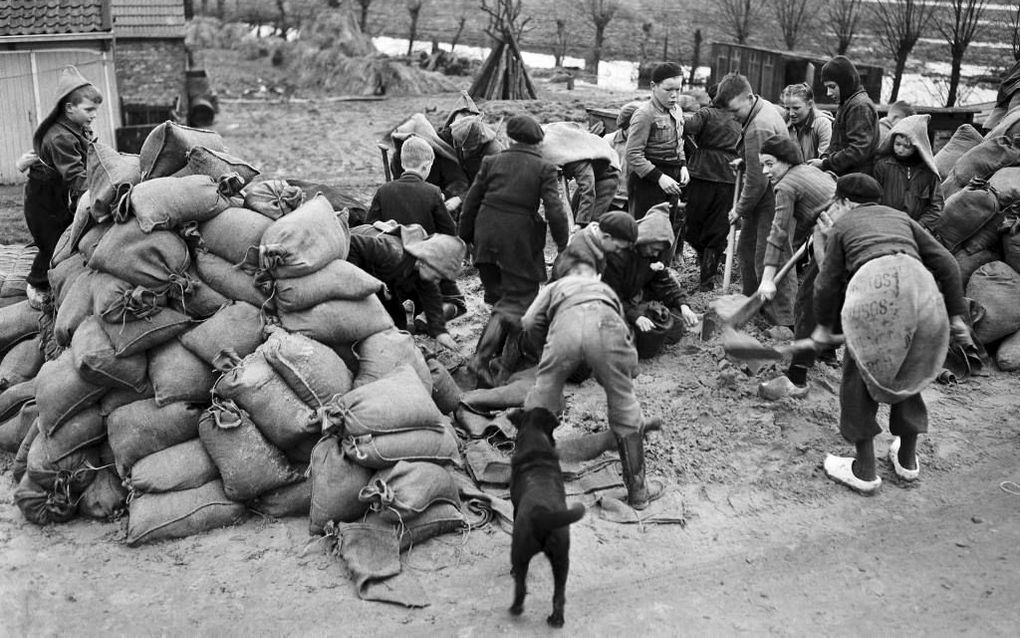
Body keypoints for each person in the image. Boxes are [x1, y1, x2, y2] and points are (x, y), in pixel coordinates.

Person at [811, 174, 973, 494]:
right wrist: (955, 315)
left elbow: (826, 284)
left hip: (876, 292)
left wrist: (821, 327)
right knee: (908, 368)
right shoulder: (901, 219)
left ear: (843, 202)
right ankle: (908, 461)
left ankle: (864, 470)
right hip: (919, 291)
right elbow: (947, 264)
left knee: (858, 380)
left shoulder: (843, 226)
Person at [522, 260, 664, 510]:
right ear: (596, 274)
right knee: (625, 409)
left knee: (541, 401)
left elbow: (530, 321)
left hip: (565, 332)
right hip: (606, 330)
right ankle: (638, 492)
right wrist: (629, 370)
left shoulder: (554, 287)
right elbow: (624, 334)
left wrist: (545, 351)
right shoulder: (604, 290)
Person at [459, 113, 570, 388]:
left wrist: (466, 238)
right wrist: (563, 243)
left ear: (509, 138)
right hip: (517, 243)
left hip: (486, 237)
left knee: (501, 301)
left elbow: (470, 203)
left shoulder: (491, 162)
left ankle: (498, 361)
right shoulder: (544, 168)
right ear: (538, 142)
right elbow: (555, 211)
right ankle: (483, 361)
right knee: (516, 302)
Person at [754, 135, 837, 400]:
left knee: (806, 301)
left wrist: (767, 279)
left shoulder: (786, 186)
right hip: (838, 227)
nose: (766, 172)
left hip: (838, 235)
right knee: (829, 295)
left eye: (770, 164)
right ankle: (826, 352)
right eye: (762, 166)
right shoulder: (808, 171)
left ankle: (797, 378)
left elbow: (778, 235)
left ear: (786, 160)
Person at [717, 73, 794, 327]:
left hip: (771, 196)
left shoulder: (758, 126)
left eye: (734, 110)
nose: (732, 117)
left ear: (749, 98)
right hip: (767, 191)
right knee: (747, 249)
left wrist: (739, 209)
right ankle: (750, 305)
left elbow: (756, 180)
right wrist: (747, 158)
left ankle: (782, 321)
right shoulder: (764, 107)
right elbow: (764, 156)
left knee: (770, 257)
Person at [22, 65, 102, 308]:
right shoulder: (60, 138)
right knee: (52, 243)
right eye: (89, 110)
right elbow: (75, 175)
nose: (94, 115)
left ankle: (60, 275)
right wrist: (96, 194)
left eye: (95, 110)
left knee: (67, 236)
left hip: (57, 197)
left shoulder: (77, 128)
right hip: (43, 200)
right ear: (69, 109)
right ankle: (36, 285)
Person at [347, 230, 465, 352]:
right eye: (437, 274)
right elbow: (353, 243)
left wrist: (440, 332)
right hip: (363, 266)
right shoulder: (392, 253)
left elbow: (431, 297)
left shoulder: (420, 268)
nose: (436, 280)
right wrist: (364, 281)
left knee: (397, 323)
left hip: (387, 284)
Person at [602, 206, 699, 345]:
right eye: (654, 249)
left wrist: (683, 305)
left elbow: (665, 283)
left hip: (634, 301)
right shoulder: (617, 255)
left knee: (675, 327)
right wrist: (635, 316)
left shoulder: (652, 257)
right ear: (644, 239)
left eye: (658, 251)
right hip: (612, 305)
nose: (655, 254)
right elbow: (609, 295)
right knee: (625, 337)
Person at [683, 84, 741, 291]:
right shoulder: (740, 116)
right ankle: (707, 277)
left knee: (692, 224)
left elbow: (686, 129)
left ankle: (706, 270)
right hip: (729, 175)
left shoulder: (705, 113)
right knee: (717, 228)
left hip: (703, 173)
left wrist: (694, 150)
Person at [625, 62, 689, 220]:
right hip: (648, 182)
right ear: (653, 86)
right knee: (645, 232)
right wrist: (660, 178)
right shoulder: (644, 114)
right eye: (668, 90)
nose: (674, 95)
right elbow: (633, 154)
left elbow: (679, 142)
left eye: (678, 89)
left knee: (667, 231)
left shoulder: (677, 111)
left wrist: (682, 165)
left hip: (672, 180)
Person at [367, 136, 456, 235]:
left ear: (402, 164)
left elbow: (368, 226)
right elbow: (450, 231)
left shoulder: (383, 190)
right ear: (425, 166)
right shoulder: (433, 192)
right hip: (423, 248)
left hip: (390, 248)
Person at [872, 114, 944, 234]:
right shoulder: (883, 166)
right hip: (884, 228)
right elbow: (873, 198)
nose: (900, 150)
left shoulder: (928, 173)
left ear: (918, 147)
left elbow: (936, 206)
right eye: (897, 144)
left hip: (915, 231)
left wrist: (919, 226)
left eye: (907, 146)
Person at [808, 56, 880, 176]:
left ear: (846, 82)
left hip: (856, 180)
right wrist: (825, 157)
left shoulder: (859, 107)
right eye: (827, 87)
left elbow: (858, 150)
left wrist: (825, 164)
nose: (828, 93)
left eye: (832, 87)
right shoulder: (848, 103)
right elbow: (837, 143)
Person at [541, 121, 621, 225]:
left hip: (607, 175)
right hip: (591, 171)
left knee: (590, 222)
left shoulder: (576, 161)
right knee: (574, 212)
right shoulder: (550, 140)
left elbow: (588, 190)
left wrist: (581, 224)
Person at [551, 210, 637, 279]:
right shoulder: (581, 261)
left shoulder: (592, 239)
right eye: (617, 247)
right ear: (607, 237)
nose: (618, 251)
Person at [781, 83, 833, 162]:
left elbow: (825, 160)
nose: (791, 113)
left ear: (809, 104)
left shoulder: (822, 123)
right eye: (787, 108)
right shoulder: (783, 122)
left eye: (796, 108)